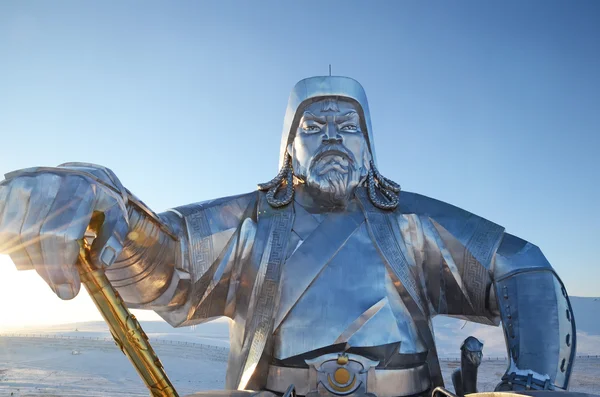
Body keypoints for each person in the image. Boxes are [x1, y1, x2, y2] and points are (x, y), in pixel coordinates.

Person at [0, 76, 576, 397]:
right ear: (288, 147)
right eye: (314, 126)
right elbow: (165, 260)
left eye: (348, 127)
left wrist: (532, 382)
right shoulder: (248, 223)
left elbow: (522, 265)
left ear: (370, 146)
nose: (333, 137)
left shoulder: (413, 224)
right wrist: (107, 206)